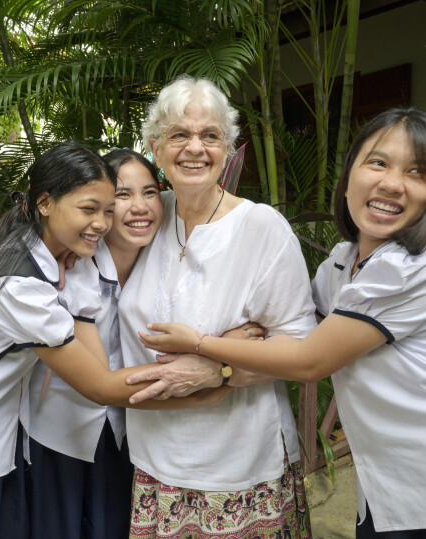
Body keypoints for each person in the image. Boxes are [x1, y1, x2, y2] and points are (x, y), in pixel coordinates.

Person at [134, 107, 426, 538]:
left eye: (417, 172)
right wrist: (242, 342)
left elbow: (308, 359)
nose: (392, 183)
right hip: (396, 486)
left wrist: (202, 344)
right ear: (348, 179)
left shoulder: (419, 267)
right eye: (378, 163)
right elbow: (291, 328)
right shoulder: (340, 264)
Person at [0, 142, 228, 539]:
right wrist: (211, 378)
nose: (101, 223)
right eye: (89, 209)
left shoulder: (35, 256)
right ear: (45, 203)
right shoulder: (19, 286)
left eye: (107, 210)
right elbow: (100, 386)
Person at [118, 76, 314, 538]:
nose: (195, 148)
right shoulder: (147, 216)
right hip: (155, 462)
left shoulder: (261, 227)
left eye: (210, 135)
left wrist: (218, 369)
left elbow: (300, 349)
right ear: (155, 148)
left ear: (227, 149)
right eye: (179, 134)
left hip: (240, 466)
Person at [25, 149, 164, 539]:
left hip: (128, 429)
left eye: (150, 192)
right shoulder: (69, 269)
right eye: (122, 195)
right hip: (58, 431)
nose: (139, 207)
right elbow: (99, 381)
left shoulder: (166, 261)